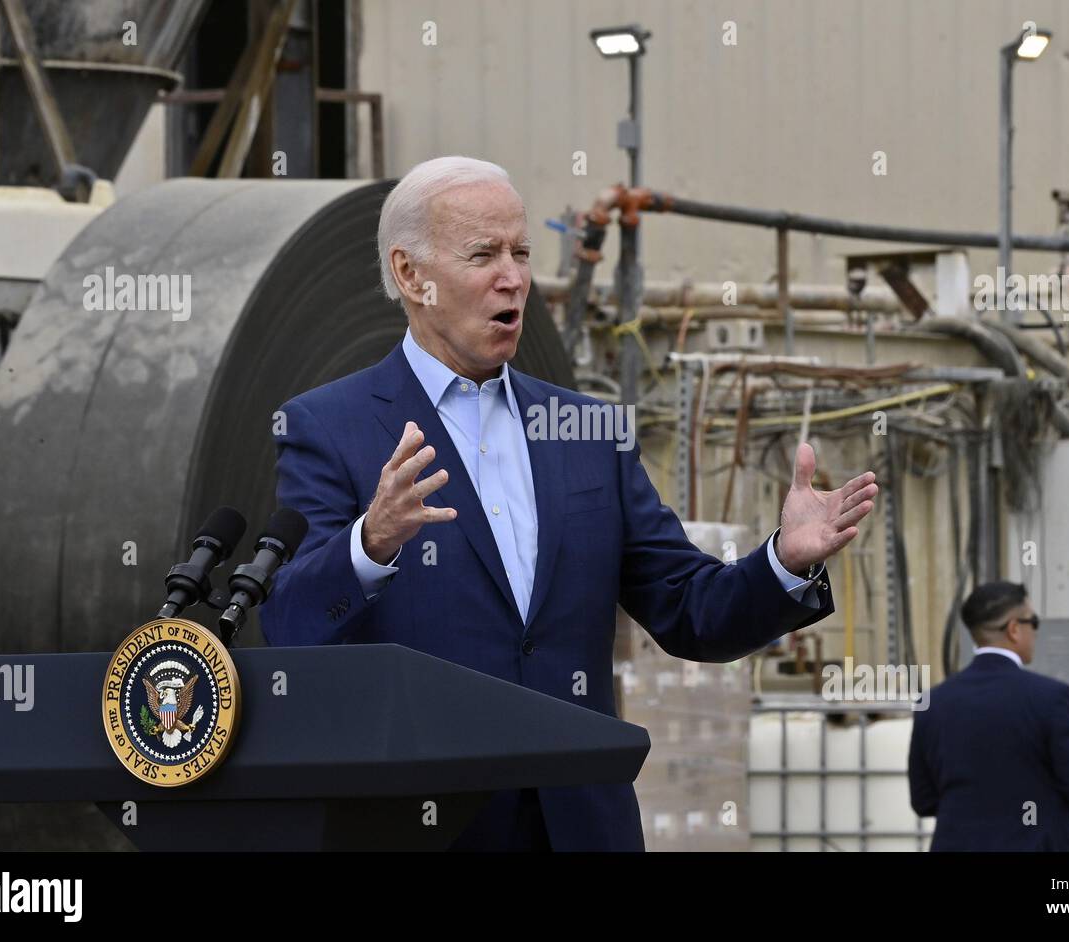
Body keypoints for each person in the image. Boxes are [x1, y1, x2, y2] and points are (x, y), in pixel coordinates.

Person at [261, 155, 877, 850]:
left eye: (521, 252)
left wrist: (783, 563)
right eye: (483, 254)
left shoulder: (587, 430)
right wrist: (370, 543)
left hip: (582, 828)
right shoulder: (329, 426)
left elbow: (689, 611)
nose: (514, 277)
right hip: (423, 829)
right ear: (411, 276)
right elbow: (289, 625)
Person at [908, 581, 1069, 851]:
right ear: (1014, 629)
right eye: (1033, 621)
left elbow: (923, 801)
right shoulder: (1050, 697)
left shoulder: (932, 703)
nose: (1035, 631)